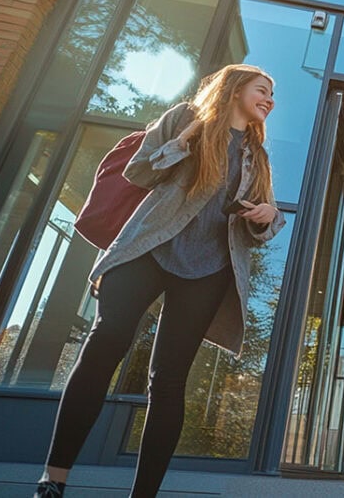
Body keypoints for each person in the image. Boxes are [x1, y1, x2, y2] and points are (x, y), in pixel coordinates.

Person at [33, 64, 285, 498]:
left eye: (272, 95)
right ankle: (53, 480)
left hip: (208, 266)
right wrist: (183, 143)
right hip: (148, 247)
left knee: (168, 379)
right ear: (234, 87)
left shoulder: (257, 156)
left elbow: (267, 222)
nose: (270, 99)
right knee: (105, 341)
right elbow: (140, 172)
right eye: (263, 89)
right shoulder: (186, 119)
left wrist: (267, 216)